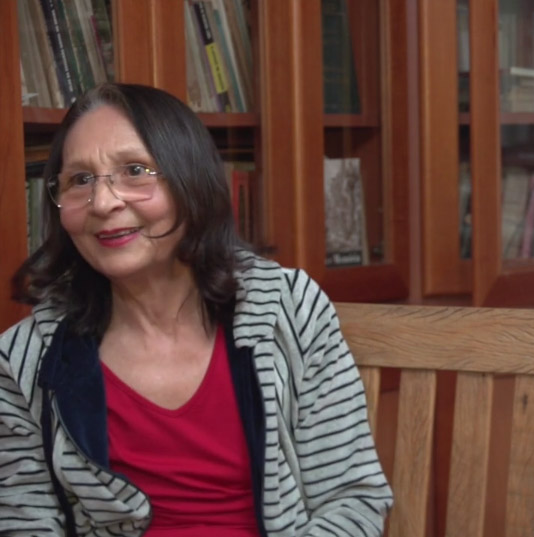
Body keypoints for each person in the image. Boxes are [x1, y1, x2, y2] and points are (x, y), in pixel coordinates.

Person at [0, 83, 392, 536]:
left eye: (135, 170)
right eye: (80, 180)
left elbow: (352, 499)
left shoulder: (290, 309)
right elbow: (23, 524)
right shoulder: (25, 361)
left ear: (192, 182)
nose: (104, 203)